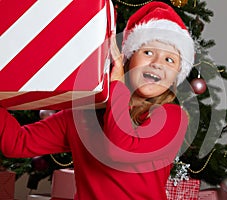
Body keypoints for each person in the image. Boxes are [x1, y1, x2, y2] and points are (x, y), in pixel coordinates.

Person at [0, 2, 194, 199]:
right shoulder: (82, 114)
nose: (157, 64)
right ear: (127, 58)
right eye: (148, 52)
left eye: (169, 60)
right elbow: (17, 143)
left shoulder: (172, 118)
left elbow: (119, 149)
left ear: (176, 76)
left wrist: (116, 82)